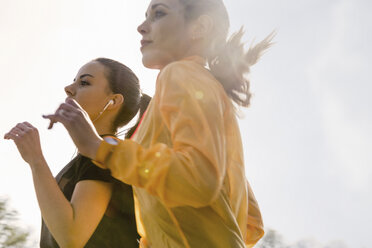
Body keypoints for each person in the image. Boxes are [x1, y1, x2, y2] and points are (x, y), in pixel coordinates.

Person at [42, 0, 273, 247]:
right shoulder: (203, 91)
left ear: (200, 27)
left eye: (158, 14)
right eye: (145, 16)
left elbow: (199, 179)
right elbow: (250, 223)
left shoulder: (179, 74)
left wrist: (100, 148)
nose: (142, 27)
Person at [4, 58, 150, 248]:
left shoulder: (105, 152)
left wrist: (36, 159)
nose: (68, 88)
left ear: (113, 101)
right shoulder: (96, 153)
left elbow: (72, 237)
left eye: (84, 82)